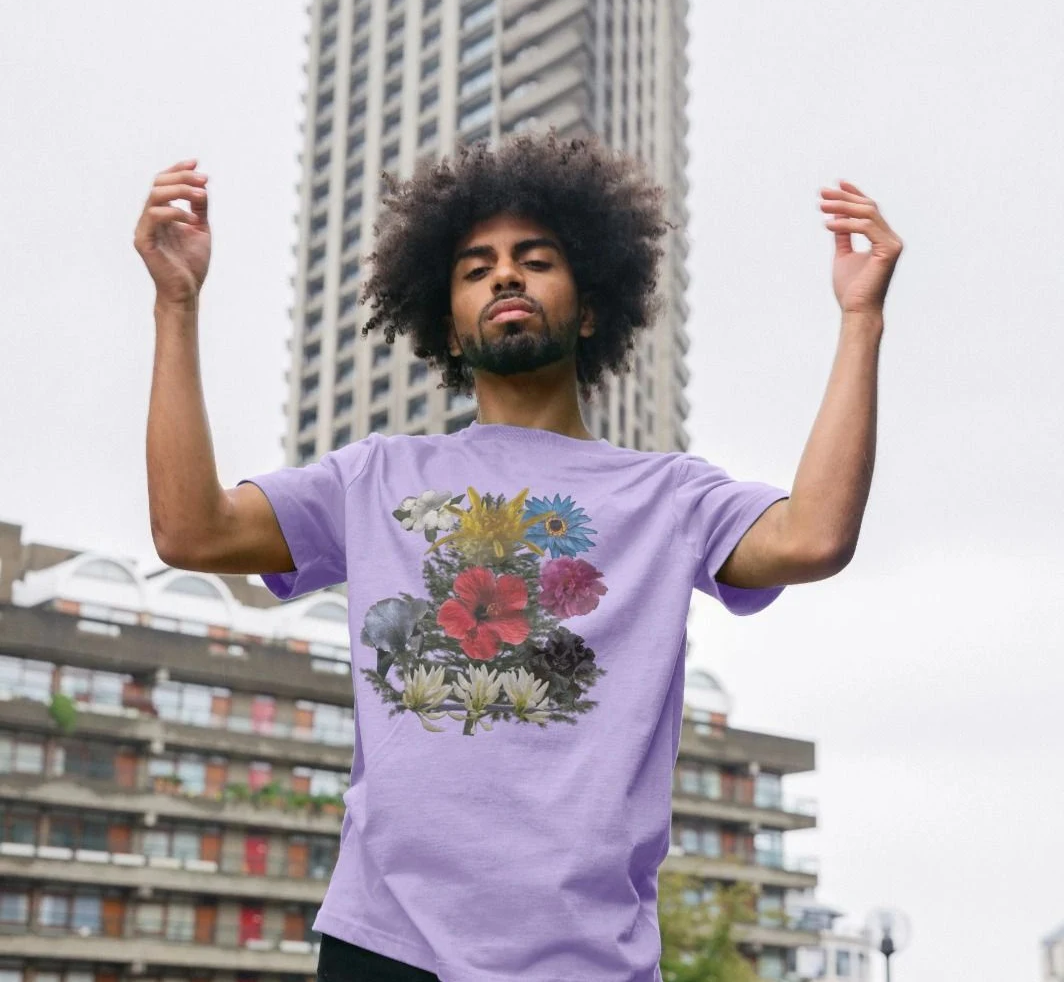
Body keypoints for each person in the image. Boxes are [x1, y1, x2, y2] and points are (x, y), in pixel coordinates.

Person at [135, 130, 902, 981]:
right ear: (449, 330)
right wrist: (177, 305)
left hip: (586, 957)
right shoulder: (375, 477)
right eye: (477, 269)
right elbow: (191, 530)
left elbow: (813, 536)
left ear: (590, 309)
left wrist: (861, 319)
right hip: (388, 945)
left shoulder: (670, 496)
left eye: (535, 261)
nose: (506, 276)